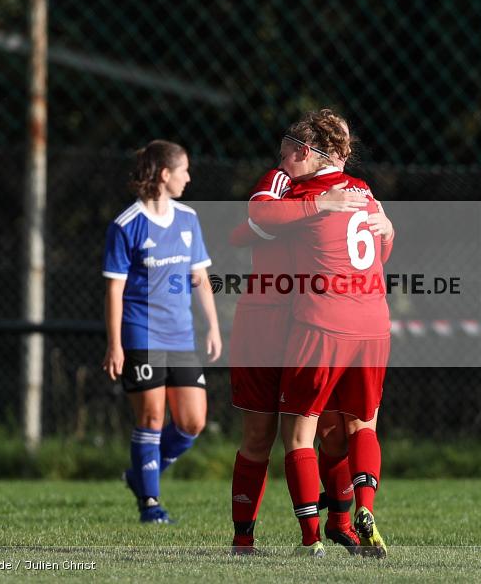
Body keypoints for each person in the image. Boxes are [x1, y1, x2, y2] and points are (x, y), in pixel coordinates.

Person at [228, 112, 370, 555]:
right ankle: (243, 539)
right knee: (259, 435)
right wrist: (315, 206)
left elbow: (369, 245)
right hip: (265, 324)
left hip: (314, 324)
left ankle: (339, 523)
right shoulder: (282, 180)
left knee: (331, 430)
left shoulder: (349, 190)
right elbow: (246, 227)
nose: (282, 157)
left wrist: (387, 229)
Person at [256, 112, 393, 558]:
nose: (281, 165)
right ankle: (365, 510)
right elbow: (380, 249)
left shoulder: (301, 192)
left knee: (298, 435)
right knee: (362, 423)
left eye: (286, 156)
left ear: (304, 153)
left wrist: (311, 206)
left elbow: (254, 222)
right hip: (373, 322)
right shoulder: (365, 191)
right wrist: (389, 228)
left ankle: (310, 539)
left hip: (321, 322)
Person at [101, 140, 221, 524]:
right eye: (184, 169)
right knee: (151, 418)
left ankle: (140, 475)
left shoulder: (188, 219)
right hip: (142, 334)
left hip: (182, 336)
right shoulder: (126, 225)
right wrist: (115, 344)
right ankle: (150, 503)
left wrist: (212, 327)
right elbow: (114, 289)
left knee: (191, 423)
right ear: (165, 175)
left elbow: (200, 278)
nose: (189, 177)